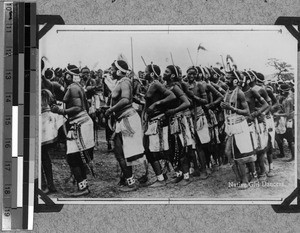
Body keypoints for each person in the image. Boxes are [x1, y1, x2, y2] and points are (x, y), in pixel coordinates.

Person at [51, 64, 95, 196]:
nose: (64, 76)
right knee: (76, 157)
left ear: (69, 75)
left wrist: (61, 110)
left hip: (80, 124)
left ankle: (83, 188)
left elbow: (78, 108)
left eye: (66, 74)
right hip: (80, 123)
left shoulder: (74, 88)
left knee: (72, 157)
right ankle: (83, 185)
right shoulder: (76, 86)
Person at [105, 59, 146, 192]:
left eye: (112, 69)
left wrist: (110, 110)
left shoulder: (124, 82)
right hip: (124, 119)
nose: (110, 71)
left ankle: (131, 182)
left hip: (127, 119)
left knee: (121, 153)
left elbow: (125, 99)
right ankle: (127, 179)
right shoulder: (123, 82)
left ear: (118, 70)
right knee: (122, 151)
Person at [143, 63, 176, 187]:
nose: (143, 73)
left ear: (151, 73)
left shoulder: (156, 84)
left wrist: (156, 104)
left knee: (154, 150)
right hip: (152, 120)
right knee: (151, 150)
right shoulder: (151, 85)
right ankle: (163, 175)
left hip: (158, 121)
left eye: (146, 71)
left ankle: (163, 178)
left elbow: (171, 96)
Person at [221, 70, 254, 190]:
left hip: (239, 127)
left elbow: (247, 112)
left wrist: (232, 108)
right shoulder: (228, 92)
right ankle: (238, 178)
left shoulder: (239, 93)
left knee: (239, 154)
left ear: (235, 80)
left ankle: (245, 180)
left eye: (228, 78)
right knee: (228, 153)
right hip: (230, 127)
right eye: (225, 78)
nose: (225, 80)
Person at [163, 65, 191, 185]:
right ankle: (179, 174)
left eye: (166, 71)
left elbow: (187, 102)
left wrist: (173, 111)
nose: (164, 73)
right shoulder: (164, 87)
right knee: (172, 149)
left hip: (178, 120)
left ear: (172, 75)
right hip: (169, 121)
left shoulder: (175, 87)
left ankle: (186, 176)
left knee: (181, 148)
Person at [241, 71, 269, 183]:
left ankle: (262, 171)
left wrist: (257, 114)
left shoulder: (255, 90)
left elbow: (267, 104)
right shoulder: (237, 92)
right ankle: (253, 172)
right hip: (243, 124)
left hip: (255, 123)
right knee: (247, 149)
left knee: (258, 148)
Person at [184, 66, 210, 179]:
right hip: (188, 116)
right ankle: (196, 168)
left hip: (198, 115)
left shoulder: (199, 85)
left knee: (200, 144)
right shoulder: (184, 85)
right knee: (192, 145)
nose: (191, 76)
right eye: (189, 73)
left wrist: (193, 97)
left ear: (197, 75)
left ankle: (204, 169)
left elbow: (205, 101)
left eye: (194, 74)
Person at [274, 83, 295, 161]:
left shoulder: (287, 100)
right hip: (286, 120)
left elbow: (287, 113)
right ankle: (283, 153)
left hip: (289, 121)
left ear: (283, 91)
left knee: (290, 140)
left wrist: (278, 114)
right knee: (280, 136)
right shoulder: (285, 98)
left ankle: (293, 156)